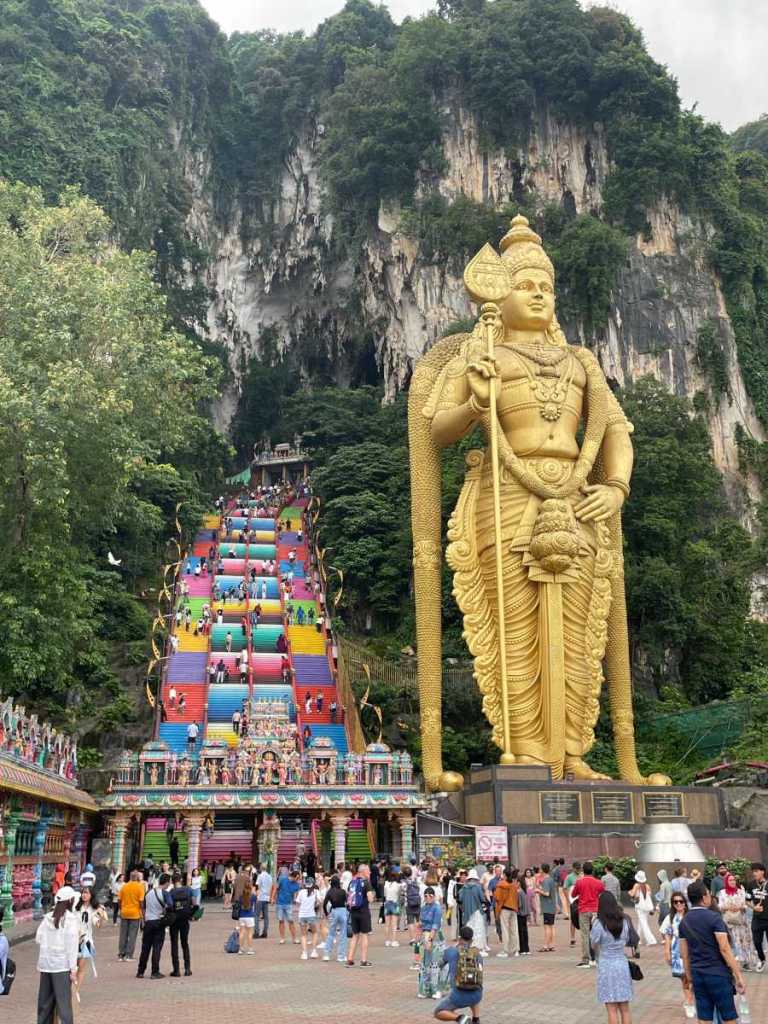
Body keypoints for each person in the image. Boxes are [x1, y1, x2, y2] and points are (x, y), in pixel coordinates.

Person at [679, 880, 746, 1024]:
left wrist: (689, 977)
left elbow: (684, 954)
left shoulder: (684, 921)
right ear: (704, 897)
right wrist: (738, 975)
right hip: (718, 974)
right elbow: (724, 948)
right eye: (708, 894)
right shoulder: (714, 918)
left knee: (704, 1018)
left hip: (698, 973)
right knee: (729, 1016)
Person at [36, 885, 80, 1024]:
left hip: (45, 965)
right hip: (62, 966)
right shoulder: (71, 920)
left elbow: (38, 938)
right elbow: (72, 946)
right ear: (70, 901)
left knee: (45, 1004)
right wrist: (73, 969)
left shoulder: (48, 918)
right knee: (63, 1004)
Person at [590, 892, 633, 1024]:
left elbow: (593, 943)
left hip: (606, 965)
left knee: (611, 1008)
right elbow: (627, 940)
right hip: (622, 964)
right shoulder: (624, 921)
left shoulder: (599, 923)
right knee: (625, 1008)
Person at [434, 924, 483, 1024]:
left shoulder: (451, 951)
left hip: (459, 995)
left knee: (438, 1012)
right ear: (471, 940)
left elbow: (439, 965)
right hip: (477, 994)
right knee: (473, 983)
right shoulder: (478, 954)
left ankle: (462, 1019)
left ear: (459, 938)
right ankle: (476, 1019)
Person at [661, 892, 696, 1019]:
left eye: (681, 901)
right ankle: (689, 1002)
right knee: (684, 978)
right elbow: (667, 936)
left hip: (692, 950)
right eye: (675, 902)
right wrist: (667, 952)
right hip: (677, 951)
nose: (679, 904)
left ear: (685, 902)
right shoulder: (670, 918)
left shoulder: (691, 916)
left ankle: (691, 999)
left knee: (694, 977)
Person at [717, 872, 757, 970]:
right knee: (734, 942)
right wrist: (728, 907)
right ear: (726, 881)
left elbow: (745, 904)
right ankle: (732, 962)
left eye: (734, 880)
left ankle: (747, 962)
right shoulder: (722, 892)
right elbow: (720, 906)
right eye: (730, 880)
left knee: (745, 941)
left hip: (741, 921)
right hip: (729, 921)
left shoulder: (740, 891)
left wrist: (739, 907)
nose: (732, 882)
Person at [137, 872, 172, 979]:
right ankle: (155, 972)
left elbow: (143, 906)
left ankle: (140, 971)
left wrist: (144, 919)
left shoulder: (148, 892)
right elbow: (170, 905)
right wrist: (164, 911)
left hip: (148, 922)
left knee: (145, 948)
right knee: (157, 947)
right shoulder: (165, 893)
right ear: (166, 883)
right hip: (158, 922)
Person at [74, 887, 106, 997]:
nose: (84, 895)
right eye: (83, 892)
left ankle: (76, 991)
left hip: (86, 941)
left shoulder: (94, 910)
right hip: (74, 940)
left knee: (81, 967)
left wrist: (101, 918)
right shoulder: (76, 907)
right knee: (73, 966)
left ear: (91, 895)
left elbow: (97, 925)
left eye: (86, 893)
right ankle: (71, 988)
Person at [572, 861, 605, 967]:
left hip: (583, 910)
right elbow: (602, 892)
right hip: (595, 910)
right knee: (596, 934)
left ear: (583, 871)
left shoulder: (579, 882)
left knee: (585, 935)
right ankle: (597, 958)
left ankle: (585, 960)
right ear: (593, 870)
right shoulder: (598, 882)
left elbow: (573, 894)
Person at [418, 887, 445, 998]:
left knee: (435, 964)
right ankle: (425, 989)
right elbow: (421, 922)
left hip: (435, 937)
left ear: (434, 896)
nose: (428, 897)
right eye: (425, 895)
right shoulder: (424, 908)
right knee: (425, 964)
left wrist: (430, 939)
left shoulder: (437, 908)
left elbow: (435, 925)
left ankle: (436, 989)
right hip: (425, 935)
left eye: (430, 895)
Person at [346, 863, 374, 967]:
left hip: (353, 912)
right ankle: (363, 960)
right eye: (368, 871)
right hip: (363, 912)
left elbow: (349, 896)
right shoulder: (366, 883)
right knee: (364, 935)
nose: (369, 872)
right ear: (363, 871)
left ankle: (349, 959)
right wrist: (372, 896)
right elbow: (370, 899)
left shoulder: (352, 882)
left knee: (355, 935)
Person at [168, 872, 194, 977]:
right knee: (185, 943)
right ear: (181, 880)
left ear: (172, 881)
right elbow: (194, 903)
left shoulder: (171, 892)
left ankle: (176, 970)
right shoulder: (188, 890)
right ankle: (187, 969)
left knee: (174, 944)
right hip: (185, 919)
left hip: (174, 920)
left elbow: (169, 906)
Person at [457, 869, 488, 956]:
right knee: (478, 929)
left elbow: (460, 899)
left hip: (467, 912)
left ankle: (468, 947)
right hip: (477, 911)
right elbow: (482, 898)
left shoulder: (464, 888)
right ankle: (478, 948)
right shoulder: (477, 887)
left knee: (469, 929)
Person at [117, 869, 145, 961]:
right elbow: (141, 902)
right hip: (135, 914)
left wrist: (121, 909)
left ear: (129, 877)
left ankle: (121, 955)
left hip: (124, 913)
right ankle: (129, 955)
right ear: (137, 877)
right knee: (132, 935)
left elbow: (119, 900)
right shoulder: (140, 887)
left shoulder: (124, 886)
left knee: (123, 934)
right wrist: (142, 914)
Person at [493, 867, 520, 958]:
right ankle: (515, 950)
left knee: (505, 930)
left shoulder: (501, 885)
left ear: (504, 875)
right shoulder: (513, 885)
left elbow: (498, 898)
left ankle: (505, 950)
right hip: (513, 909)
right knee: (514, 930)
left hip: (505, 908)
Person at [746, 861, 768, 972]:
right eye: (753, 871)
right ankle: (762, 959)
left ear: (762, 872)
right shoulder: (750, 884)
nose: (754, 873)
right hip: (757, 919)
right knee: (757, 942)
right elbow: (747, 900)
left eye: (756, 871)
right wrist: (754, 908)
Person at [323, 875, 349, 963]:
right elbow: (348, 903)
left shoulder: (329, 892)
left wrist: (327, 914)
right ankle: (341, 956)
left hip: (334, 911)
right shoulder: (343, 891)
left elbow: (324, 904)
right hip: (342, 911)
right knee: (343, 934)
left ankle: (326, 954)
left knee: (331, 933)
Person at [628, 870, 657, 947]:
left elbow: (632, 894)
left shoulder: (636, 885)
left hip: (639, 907)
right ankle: (638, 939)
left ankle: (651, 940)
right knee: (641, 923)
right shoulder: (647, 886)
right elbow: (649, 895)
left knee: (643, 923)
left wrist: (629, 892)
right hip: (646, 907)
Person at [297, 878, 321, 960]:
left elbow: (298, 903)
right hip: (311, 915)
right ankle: (313, 951)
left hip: (302, 915)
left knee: (303, 935)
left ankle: (304, 953)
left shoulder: (301, 892)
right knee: (314, 932)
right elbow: (319, 902)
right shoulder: (316, 892)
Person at [535, 862, 557, 952]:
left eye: (540, 869)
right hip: (551, 906)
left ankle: (546, 945)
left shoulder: (545, 880)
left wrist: (538, 890)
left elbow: (546, 893)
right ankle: (551, 944)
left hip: (547, 906)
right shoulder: (550, 879)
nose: (539, 870)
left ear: (543, 870)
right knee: (551, 926)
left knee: (547, 926)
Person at [276, 870, 301, 944]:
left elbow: (296, 894)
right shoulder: (283, 879)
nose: (298, 880)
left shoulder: (296, 884)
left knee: (291, 921)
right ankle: (282, 938)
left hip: (289, 904)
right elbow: (277, 888)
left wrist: (296, 902)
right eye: (297, 878)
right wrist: (273, 898)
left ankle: (294, 938)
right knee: (281, 921)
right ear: (294, 876)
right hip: (280, 903)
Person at [238, 878, 257, 956]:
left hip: (242, 916)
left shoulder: (241, 896)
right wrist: (253, 891)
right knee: (250, 933)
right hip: (250, 916)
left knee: (242, 933)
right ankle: (250, 949)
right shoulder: (252, 896)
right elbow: (255, 903)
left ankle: (241, 949)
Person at [384, 869, 402, 947]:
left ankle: (387, 941)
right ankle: (394, 941)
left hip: (387, 903)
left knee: (387, 924)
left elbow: (385, 895)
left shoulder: (386, 884)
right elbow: (399, 894)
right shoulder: (398, 885)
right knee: (394, 924)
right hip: (395, 903)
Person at [255, 863, 273, 939]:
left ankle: (256, 932)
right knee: (266, 916)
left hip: (261, 897)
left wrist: (257, 896)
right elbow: (271, 886)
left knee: (256, 915)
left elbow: (258, 887)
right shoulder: (269, 876)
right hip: (267, 897)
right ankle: (265, 932)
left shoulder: (260, 876)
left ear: (261, 868)